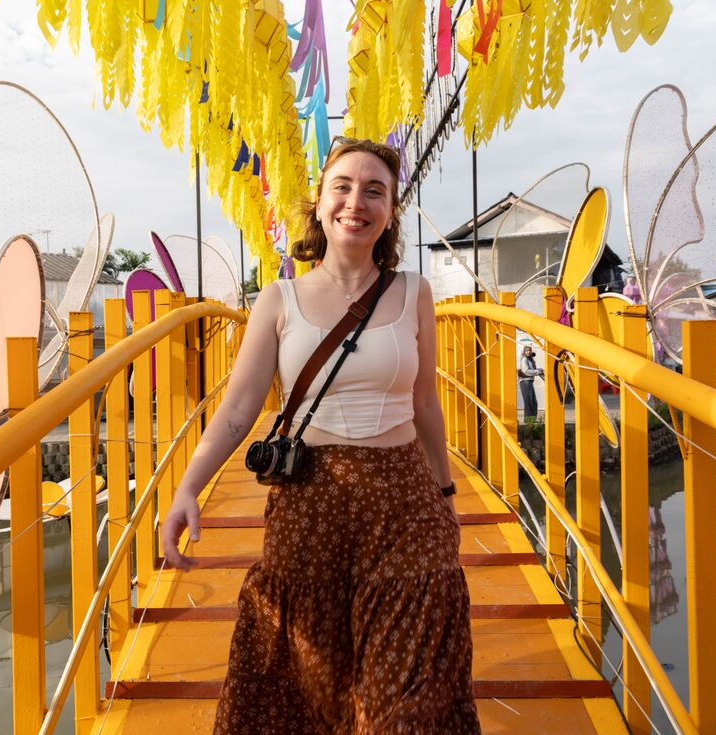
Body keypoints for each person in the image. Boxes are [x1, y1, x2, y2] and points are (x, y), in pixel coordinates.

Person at [162, 138, 481, 733]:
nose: (355, 202)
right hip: (312, 501)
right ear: (320, 202)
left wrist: (445, 495)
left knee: (409, 697)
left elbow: (424, 404)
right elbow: (238, 409)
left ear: (389, 211)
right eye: (343, 186)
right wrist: (188, 488)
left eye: (374, 190)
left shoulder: (415, 293)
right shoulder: (280, 299)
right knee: (308, 681)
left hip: (403, 500)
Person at [519, 344, 542, 419]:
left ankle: (532, 419)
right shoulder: (524, 359)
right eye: (527, 351)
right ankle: (529, 419)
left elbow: (532, 369)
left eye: (529, 350)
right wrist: (537, 371)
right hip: (525, 381)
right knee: (529, 401)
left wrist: (538, 370)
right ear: (524, 352)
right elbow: (526, 371)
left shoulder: (531, 360)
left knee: (533, 401)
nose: (528, 352)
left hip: (529, 381)